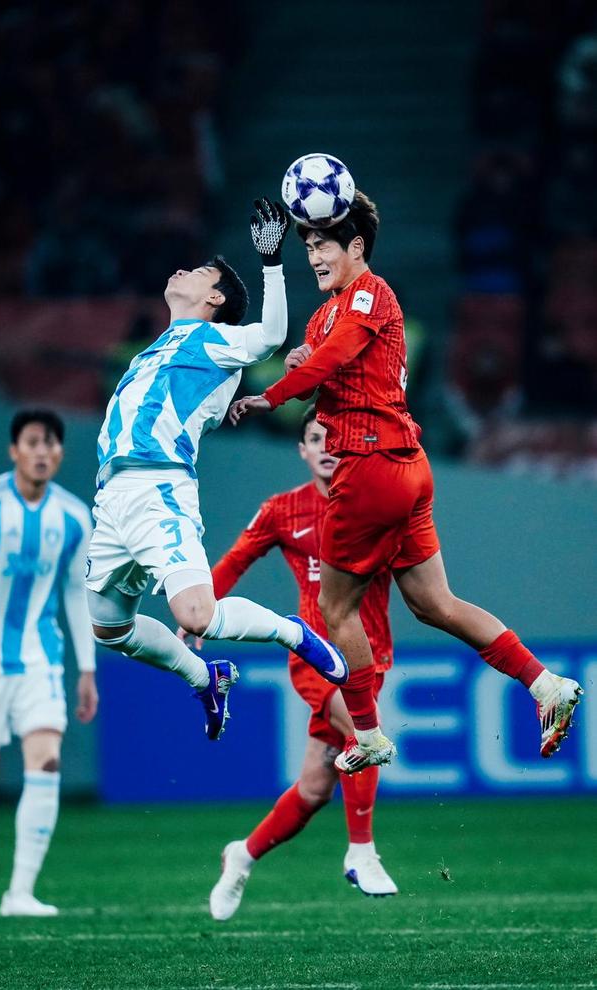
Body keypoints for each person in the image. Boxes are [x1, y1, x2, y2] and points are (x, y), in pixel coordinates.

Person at [230, 189, 583, 773]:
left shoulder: (371, 293)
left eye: (323, 245)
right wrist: (297, 363)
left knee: (334, 607)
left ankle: (368, 734)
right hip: (404, 468)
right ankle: (545, 684)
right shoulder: (323, 314)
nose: (314, 256)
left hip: (370, 467)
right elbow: (318, 360)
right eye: (308, 247)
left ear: (357, 247)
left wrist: (273, 394)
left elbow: (333, 359)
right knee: (434, 604)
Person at [85, 199, 348, 744]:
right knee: (110, 628)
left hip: (158, 488)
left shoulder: (216, 339)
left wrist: (270, 263)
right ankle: (205, 678)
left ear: (215, 299)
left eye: (199, 271)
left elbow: (270, 335)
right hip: (112, 497)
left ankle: (290, 632)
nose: (182, 270)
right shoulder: (152, 350)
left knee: (197, 615)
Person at [203, 406, 396, 921]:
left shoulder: (379, 506)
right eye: (316, 438)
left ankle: (242, 855)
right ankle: (362, 852)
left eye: (335, 437)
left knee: (313, 789)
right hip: (316, 656)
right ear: (302, 450)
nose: (327, 447)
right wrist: (197, 611)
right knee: (363, 731)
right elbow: (237, 559)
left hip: (370, 657)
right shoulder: (283, 510)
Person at [0, 410, 98, 917]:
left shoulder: (73, 517)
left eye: (51, 443)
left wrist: (87, 668)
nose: (42, 452)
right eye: (32, 442)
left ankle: (20, 893)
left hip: (39, 659)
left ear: (60, 453)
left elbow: (75, 591)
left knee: (46, 760)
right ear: (14, 451)